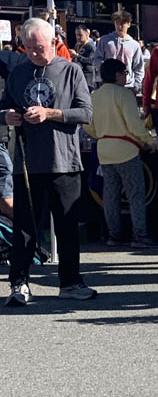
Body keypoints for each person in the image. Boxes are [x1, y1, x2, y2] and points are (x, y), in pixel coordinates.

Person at [1, 17, 95, 305]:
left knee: (67, 228)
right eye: (28, 47)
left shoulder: (71, 70)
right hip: (27, 163)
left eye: (39, 47)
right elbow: (3, 106)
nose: (33, 53)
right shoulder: (19, 72)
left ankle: (70, 282)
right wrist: (7, 116)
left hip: (65, 161)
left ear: (53, 42)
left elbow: (85, 113)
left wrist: (50, 113)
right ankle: (19, 283)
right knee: (24, 228)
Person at [84, 59, 156, 248]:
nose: (126, 75)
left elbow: (87, 124)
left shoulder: (94, 95)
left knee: (110, 196)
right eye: (124, 72)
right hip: (126, 150)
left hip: (104, 149)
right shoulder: (124, 94)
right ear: (117, 75)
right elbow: (134, 125)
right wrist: (149, 141)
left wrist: (100, 135)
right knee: (135, 195)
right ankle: (140, 235)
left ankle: (114, 235)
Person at [95, 12, 145, 98]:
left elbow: (139, 67)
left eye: (122, 23)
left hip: (128, 86)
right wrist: (105, 70)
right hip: (108, 84)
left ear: (128, 24)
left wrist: (136, 86)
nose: (119, 26)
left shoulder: (134, 45)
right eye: (117, 23)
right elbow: (96, 60)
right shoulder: (105, 41)